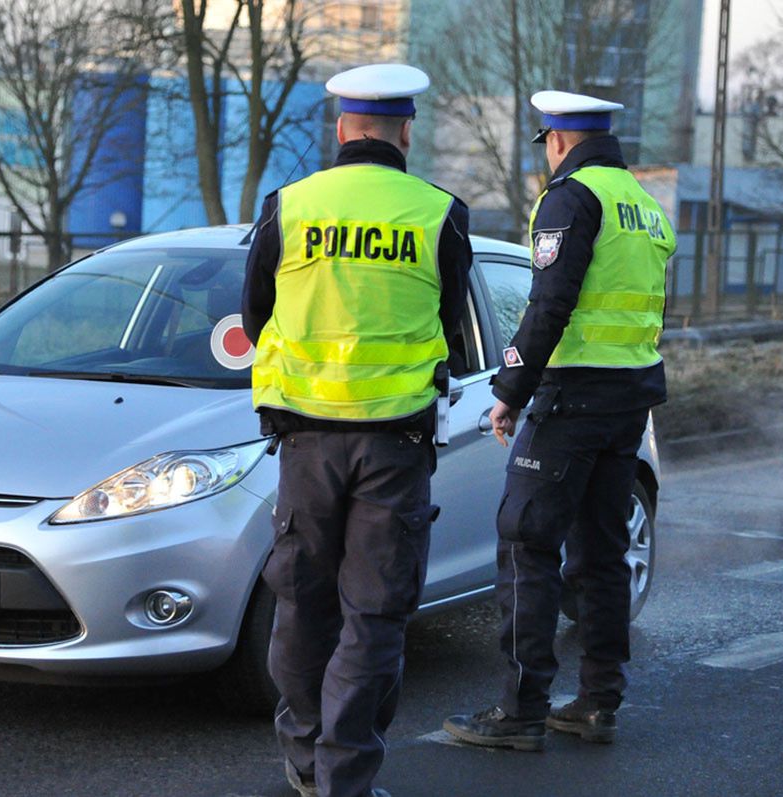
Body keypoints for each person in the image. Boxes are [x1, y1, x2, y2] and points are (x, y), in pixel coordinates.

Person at [242, 63, 472, 797]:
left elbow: (255, 316)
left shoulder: (291, 204)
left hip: (305, 443)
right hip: (394, 446)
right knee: (373, 615)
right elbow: (453, 334)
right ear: (407, 131)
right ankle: (345, 776)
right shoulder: (439, 211)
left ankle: (307, 758)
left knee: (302, 606)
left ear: (340, 129)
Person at [443, 90, 675, 753]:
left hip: (571, 396)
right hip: (629, 397)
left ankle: (520, 710)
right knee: (602, 551)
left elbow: (550, 303)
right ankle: (599, 701)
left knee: (527, 544)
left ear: (557, 141)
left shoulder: (571, 198)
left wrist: (510, 388)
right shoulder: (644, 206)